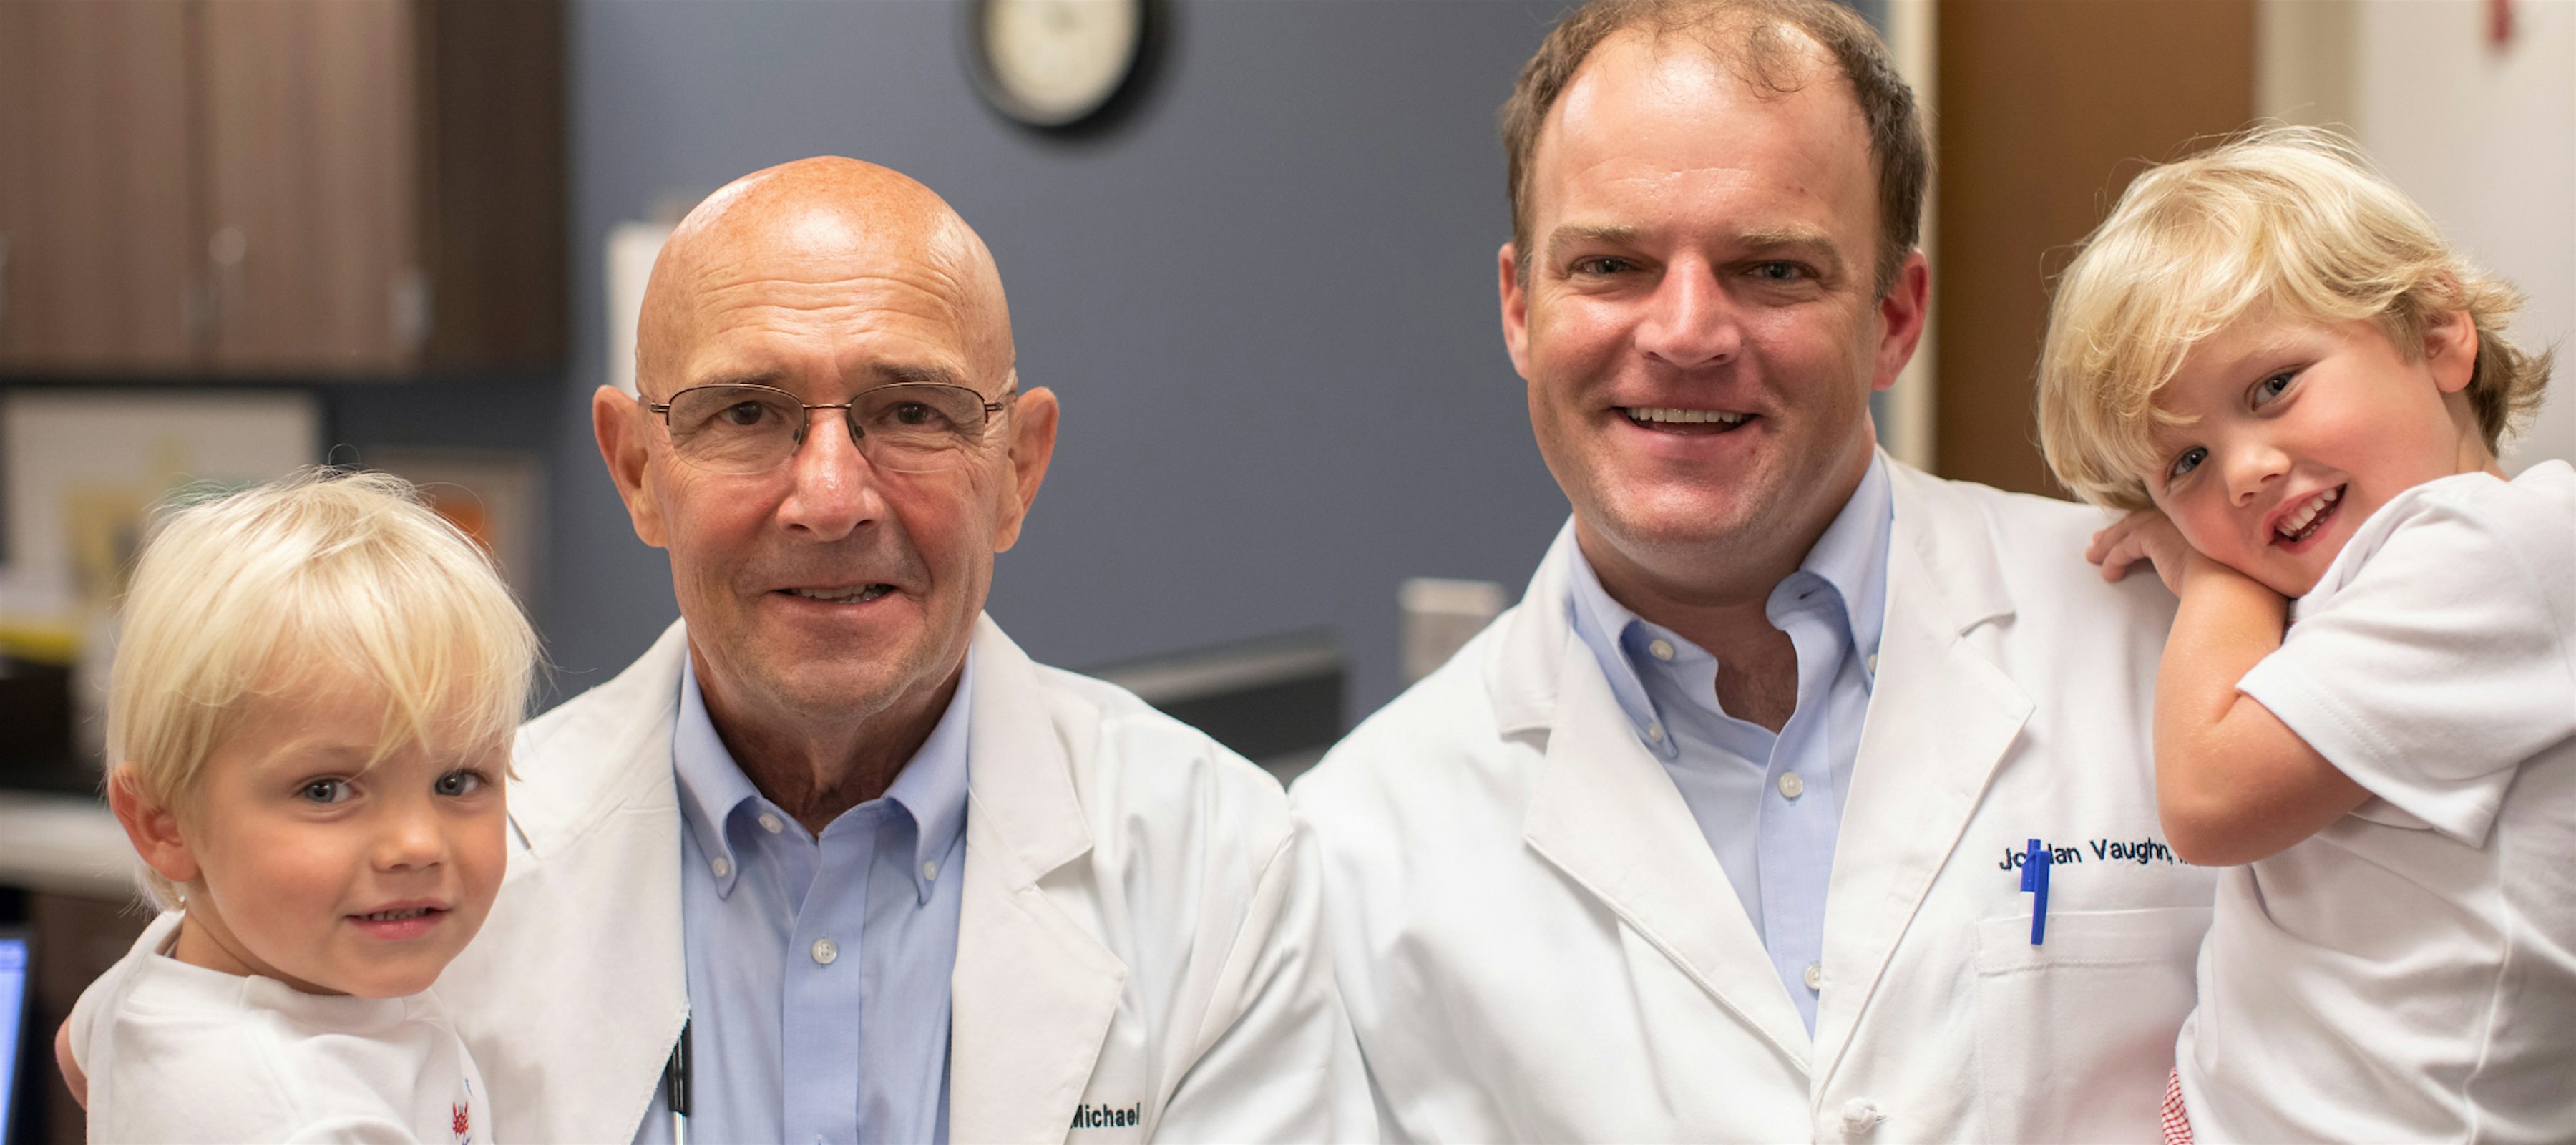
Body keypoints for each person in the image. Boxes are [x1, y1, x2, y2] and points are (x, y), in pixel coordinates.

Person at [1291, 0, 2217, 1139]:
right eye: (1612, 264)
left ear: (1894, 316)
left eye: (1773, 268)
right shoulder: (1355, 844)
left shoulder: (2168, 638)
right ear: (1522, 308)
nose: (1686, 332)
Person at [420, 157, 1368, 1144]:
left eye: (912, 411)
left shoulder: (1222, 868)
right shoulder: (441, 877)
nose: (831, 501)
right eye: (745, 413)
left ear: (1018, 469)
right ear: (637, 471)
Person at [2039, 127, 2574, 1144]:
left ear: (2438, 336)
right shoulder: (2382, 578)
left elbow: (2210, 800)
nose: (2244, 470)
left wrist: (2210, 575)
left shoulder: (2498, 546)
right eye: (2185, 464)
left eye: (2273, 387)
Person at [67, 469, 537, 1141]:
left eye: (458, 781)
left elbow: (78, 1052)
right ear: (163, 823)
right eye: (327, 790)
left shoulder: (164, 965)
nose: (418, 844)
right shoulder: (306, 1119)